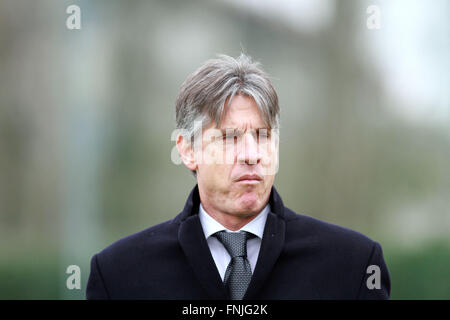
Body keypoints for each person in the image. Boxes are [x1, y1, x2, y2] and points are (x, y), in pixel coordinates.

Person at [86, 53, 391, 300]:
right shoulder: (119, 275)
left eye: (262, 135)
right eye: (230, 137)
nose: (251, 154)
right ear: (187, 149)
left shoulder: (353, 266)